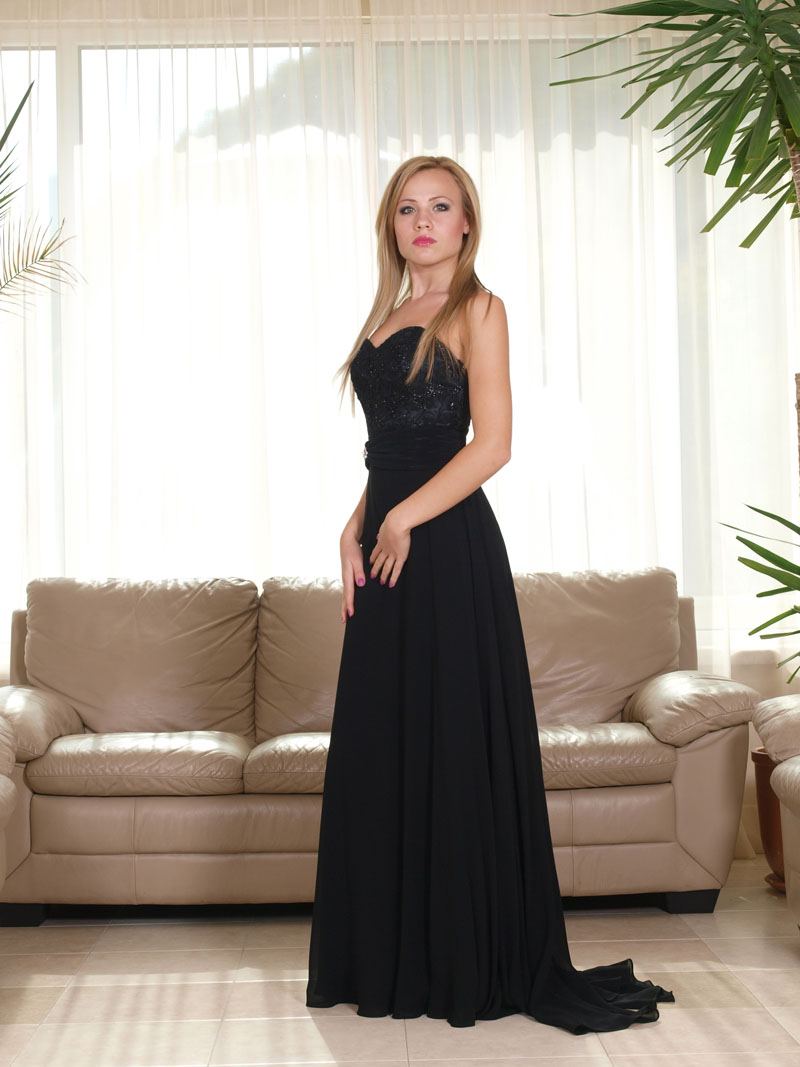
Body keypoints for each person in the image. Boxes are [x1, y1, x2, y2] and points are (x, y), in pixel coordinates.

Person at [305, 155, 674, 1033]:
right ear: (391, 225)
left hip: (447, 551)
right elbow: (391, 451)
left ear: (467, 222)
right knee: (385, 745)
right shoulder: (385, 316)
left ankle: (464, 960)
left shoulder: (480, 308)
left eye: (440, 207)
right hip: (387, 553)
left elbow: (492, 443)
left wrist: (403, 519)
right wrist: (357, 524)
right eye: (408, 208)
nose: (423, 222)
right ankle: (390, 959)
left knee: (451, 744)